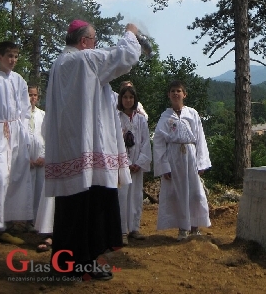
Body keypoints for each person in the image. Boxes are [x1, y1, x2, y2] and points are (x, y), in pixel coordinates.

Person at [45, 20, 141, 281]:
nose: (96, 44)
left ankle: (63, 264)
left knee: (68, 211)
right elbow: (125, 55)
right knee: (89, 208)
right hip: (89, 148)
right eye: (94, 39)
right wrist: (130, 33)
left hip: (68, 148)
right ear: (84, 42)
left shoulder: (59, 63)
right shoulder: (85, 60)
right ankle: (84, 263)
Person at [153, 80, 211, 241]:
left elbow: (200, 138)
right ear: (168, 95)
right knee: (177, 193)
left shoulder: (192, 114)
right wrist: (163, 166)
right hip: (173, 157)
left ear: (184, 94)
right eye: (172, 91)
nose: (175, 93)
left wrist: (201, 162)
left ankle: (195, 227)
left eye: (178, 91)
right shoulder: (165, 117)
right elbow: (158, 142)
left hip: (190, 155)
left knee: (195, 192)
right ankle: (182, 228)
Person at [0, 41, 33, 249]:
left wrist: (23, 132)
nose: (13, 60)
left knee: (14, 177)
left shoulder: (19, 80)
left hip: (15, 133)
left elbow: (25, 110)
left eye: (16, 56)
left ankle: (4, 225)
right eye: (9, 56)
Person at [117, 82, 152, 245]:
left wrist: (139, 162)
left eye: (131, 97)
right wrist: (127, 162)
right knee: (122, 196)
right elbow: (115, 142)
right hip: (122, 165)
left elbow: (146, 142)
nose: (128, 100)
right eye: (125, 97)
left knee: (136, 196)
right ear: (121, 99)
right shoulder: (116, 118)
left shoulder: (141, 120)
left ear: (135, 99)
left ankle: (134, 228)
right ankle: (122, 231)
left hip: (137, 164)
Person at [27, 84, 45, 231]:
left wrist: (43, 156)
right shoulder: (21, 115)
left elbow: (46, 136)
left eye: (35, 95)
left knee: (39, 189)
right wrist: (25, 158)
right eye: (30, 95)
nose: (32, 98)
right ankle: (25, 219)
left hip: (40, 157)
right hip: (26, 158)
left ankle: (37, 221)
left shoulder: (42, 114)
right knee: (27, 189)